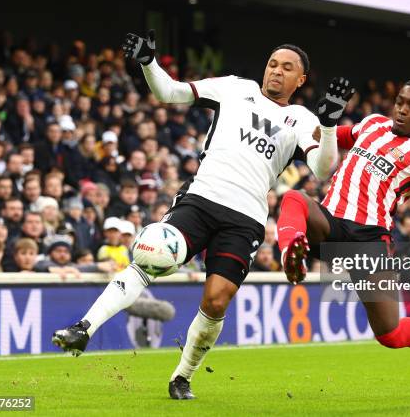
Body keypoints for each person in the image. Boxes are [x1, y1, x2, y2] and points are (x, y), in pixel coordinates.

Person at [53, 29, 353, 400]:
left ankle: (182, 376)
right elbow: (169, 92)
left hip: (245, 218)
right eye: (273, 64)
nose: (276, 71)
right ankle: (84, 327)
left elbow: (323, 169)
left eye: (286, 67)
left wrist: (327, 127)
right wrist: (149, 62)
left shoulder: (301, 118)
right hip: (201, 199)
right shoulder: (233, 88)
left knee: (216, 300)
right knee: (149, 258)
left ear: (300, 79)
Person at [277, 79, 410, 373]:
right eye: (400, 102)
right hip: (331, 224)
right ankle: (290, 253)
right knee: (293, 197)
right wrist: (326, 125)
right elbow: (324, 138)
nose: (402, 110)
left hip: (369, 241)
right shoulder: (372, 125)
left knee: (390, 334)